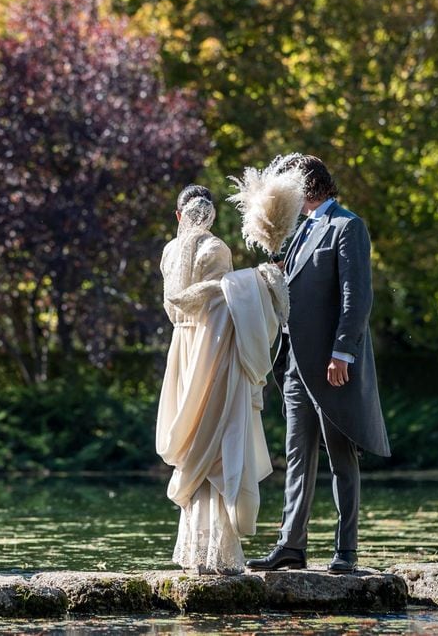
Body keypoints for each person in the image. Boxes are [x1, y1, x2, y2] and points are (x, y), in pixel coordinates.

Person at [247, 155, 390, 575]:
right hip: (294, 363)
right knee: (297, 456)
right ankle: (291, 546)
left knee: (341, 458)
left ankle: (346, 552)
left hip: (331, 365)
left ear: (308, 186)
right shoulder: (301, 229)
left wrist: (342, 353)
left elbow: (356, 297)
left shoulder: (348, 227)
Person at [156, 173, 298, 576]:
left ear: (178, 214)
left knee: (193, 443)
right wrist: (266, 278)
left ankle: (195, 548)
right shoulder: (216, 247)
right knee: (218, 440)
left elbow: (179, 305)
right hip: (212, 348)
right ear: (212, 215)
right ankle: (217, 550)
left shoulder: (168, 252)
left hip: (181, 351)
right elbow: (227, 304)